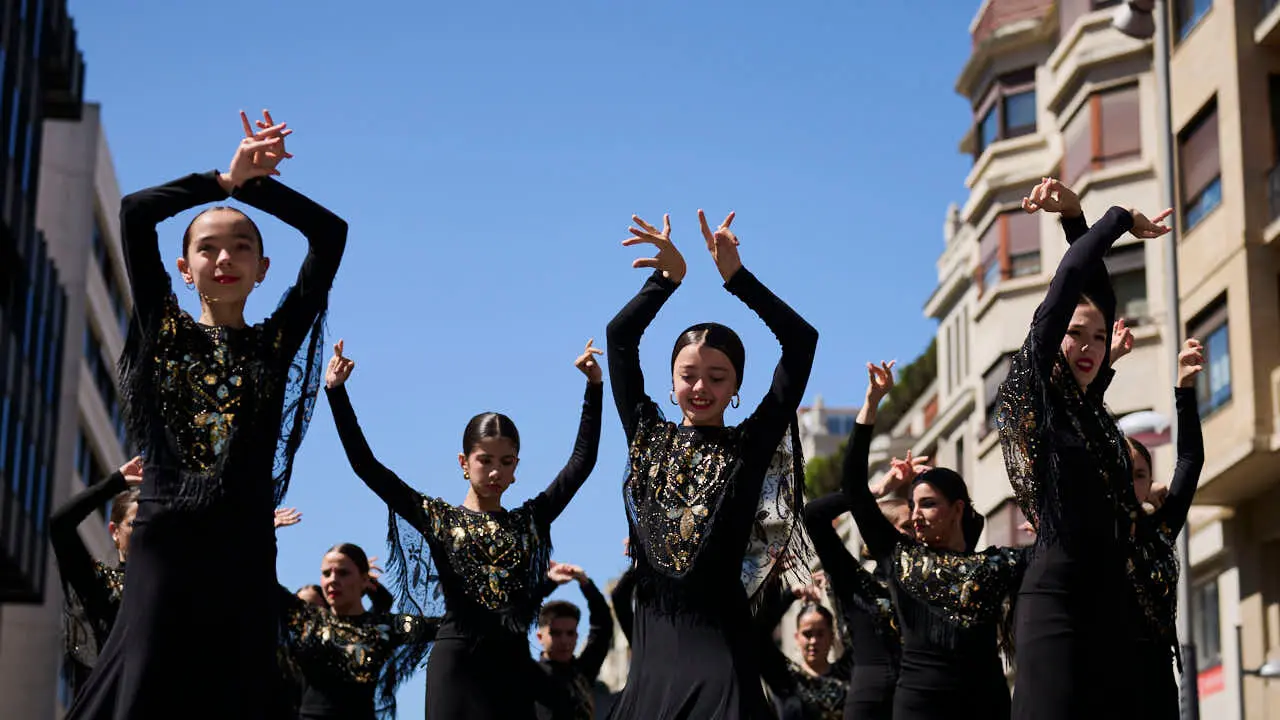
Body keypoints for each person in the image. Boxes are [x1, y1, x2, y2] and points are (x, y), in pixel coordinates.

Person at [67, 110, 347, 720]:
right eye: (208, 247)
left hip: (244, 545)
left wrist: (258, 189)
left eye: (241, 247)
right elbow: (136, 212)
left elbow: (331, 234)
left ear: (263, 270)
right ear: (182, 267)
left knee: (238, 692)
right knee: (146, 687)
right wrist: (223, 181)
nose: (224, 258)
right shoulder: (162, 330)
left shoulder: (274, 344)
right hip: (164, 541)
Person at [604, 210, 818, 719]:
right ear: (672, 378)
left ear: (737, 386)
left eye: (717, 377)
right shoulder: (645, 434)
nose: (701, 388)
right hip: (654, 649)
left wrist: (737, 278)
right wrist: (667, 279)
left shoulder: (750, 444)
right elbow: (619, 338)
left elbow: (801, 343)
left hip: (721, 647)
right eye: (689, 374)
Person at [324, 338, 602, 719]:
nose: (494, 471)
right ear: (463, 461)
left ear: (516, 466)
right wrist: (337, 394)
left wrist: (594, 388)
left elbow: (581, 464)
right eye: (484, 459)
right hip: (456, 666)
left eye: (505, 462)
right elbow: (367, 468)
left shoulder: (528, 520)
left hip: (511, 665)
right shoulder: (438, 518)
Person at [997, 177, 1173, 720]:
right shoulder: (1030, 394)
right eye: (1076, 334)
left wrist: (1076, 215)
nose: (1089, 347)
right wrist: (1116, 216)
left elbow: (1097, 294)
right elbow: (1070, 280)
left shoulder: (1090, 410)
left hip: (1111, 604)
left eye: (1099, 338)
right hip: (1056, 603)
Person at [843, 361, 1024, 719]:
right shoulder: (900, 556)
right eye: (912, 505)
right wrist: (872, 403)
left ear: (957, 509)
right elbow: (853, 489)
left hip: (985, 705)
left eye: (927, 504)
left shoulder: (996, 564)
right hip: (919, 708)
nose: (915, 515)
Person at [280, 542, 439, 720]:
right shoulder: (308, 621)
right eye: (326, 573)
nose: (332, 579)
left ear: (365, 580)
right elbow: (259, 578)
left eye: (343, 573)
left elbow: (448, 624)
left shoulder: (383, 627)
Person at [803, 489, 903, 720]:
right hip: (871, 703)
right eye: (906, 525)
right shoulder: (863, 585)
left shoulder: (931, 581)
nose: (918, 529)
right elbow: (813, 515)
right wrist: (874, 491)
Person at [52, 458, 142, 696]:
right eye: (136, 524)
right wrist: (116, 482)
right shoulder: (102, 585)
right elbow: (60, 525)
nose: (145, 532)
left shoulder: (174, 589)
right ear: (115, 532)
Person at [756, 577, 852, 720]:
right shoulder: (785, 677)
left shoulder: (848, 671)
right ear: (797, 637)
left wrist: (833, 586)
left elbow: (860, 627)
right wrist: (789, 595)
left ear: (831, 637)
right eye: (807, 634)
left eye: (820, 634)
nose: (813, 641)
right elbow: (758, 636)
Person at [534, 561, 616, 720]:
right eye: (556, 633)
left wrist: (585, 582)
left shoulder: (582, 673)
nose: (564, 640)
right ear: (540, 637)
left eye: (570, 633)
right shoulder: (530, 675)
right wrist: (548, 584)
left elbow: (603, 626)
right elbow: (514, 625)